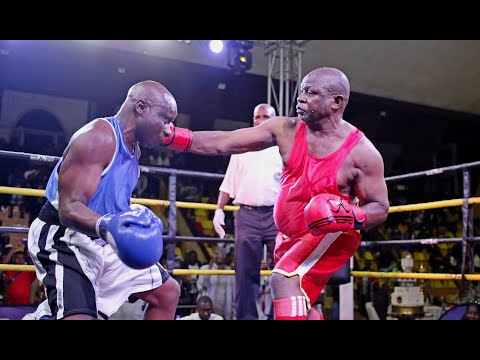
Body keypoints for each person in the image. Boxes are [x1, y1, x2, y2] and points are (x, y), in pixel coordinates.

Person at [161, 67, 389, 320]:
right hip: (288, 235)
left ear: (336, 101)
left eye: (311, 93)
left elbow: (380, 207)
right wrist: (177, 137)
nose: (301, 98)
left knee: (285, 280)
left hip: (330, 234)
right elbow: (227, 141)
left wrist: (347, 215)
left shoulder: (362, 152)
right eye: (301, 91)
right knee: (302, 302)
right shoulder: (286, 129)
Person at [25, 80, 180, 320]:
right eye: (165, 119)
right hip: (65, 237)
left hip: (103, 238)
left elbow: (110, 200)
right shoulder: (99, 137)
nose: (169, 129)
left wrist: (131, 219)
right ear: (141, 107)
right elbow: (69, 209)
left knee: (167, 293)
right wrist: (110, 226)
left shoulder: (134, 150)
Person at [212, 103, 282, 320]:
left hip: (276, 216)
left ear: (274, 119)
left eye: (265, 116)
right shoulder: (242, 148)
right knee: (244, 273)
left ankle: (279, 317)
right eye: (257, 117)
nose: (260, 121)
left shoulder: (283, 148)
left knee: (282, 270)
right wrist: (219, 210)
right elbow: (228, 183)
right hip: (247, 215)